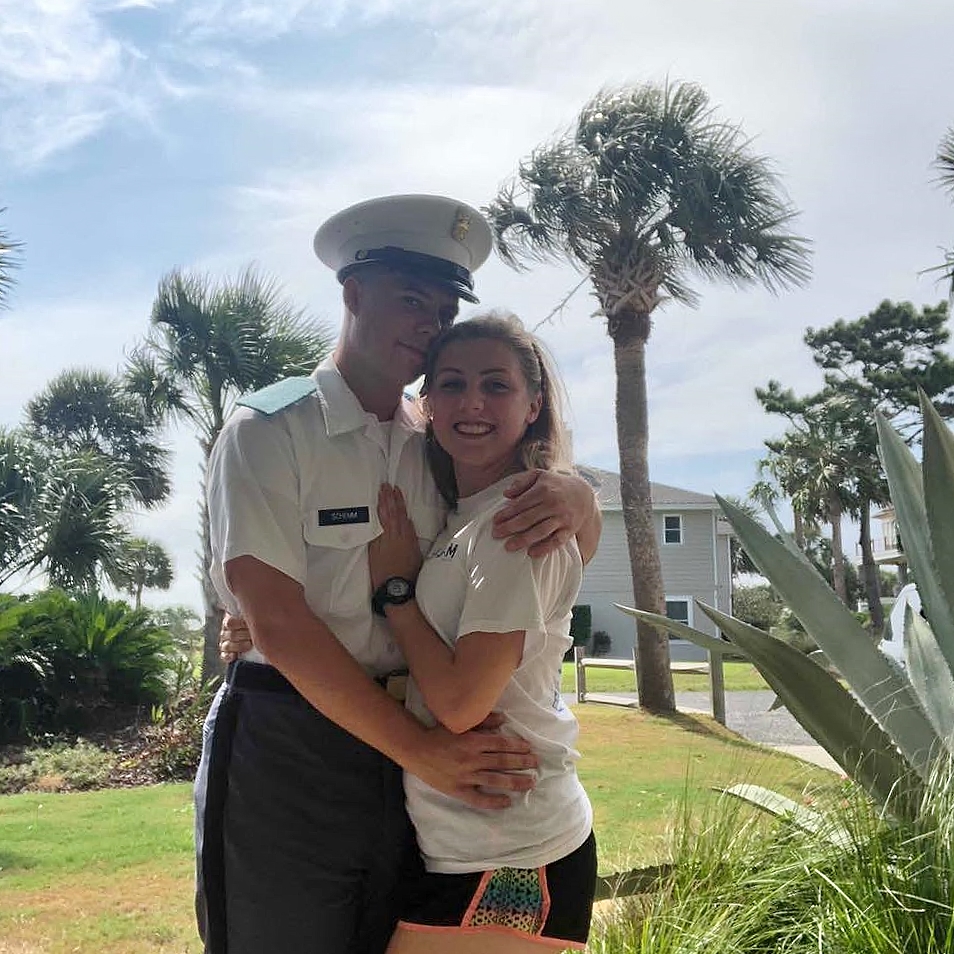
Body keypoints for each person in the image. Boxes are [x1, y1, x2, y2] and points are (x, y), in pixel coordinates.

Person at [195, 194, 601, 954]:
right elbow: (277, 620)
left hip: (415, 749)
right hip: (299, 739)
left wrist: (577, 497)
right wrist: (423, 751)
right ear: (352, 295)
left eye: (442, 307)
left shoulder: (436, 440)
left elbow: (529, 549)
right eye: (411, 299)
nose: (428, 323)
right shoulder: (270, 431)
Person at [370, 314, 596, 952]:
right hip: (473, 839)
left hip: (510, 845)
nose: (472, 401)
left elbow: (463, 704)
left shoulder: (512, 525)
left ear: (533, 406)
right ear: (428, 405)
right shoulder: (470, 518)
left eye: (497, 385)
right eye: (452, 383)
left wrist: (396, 595)